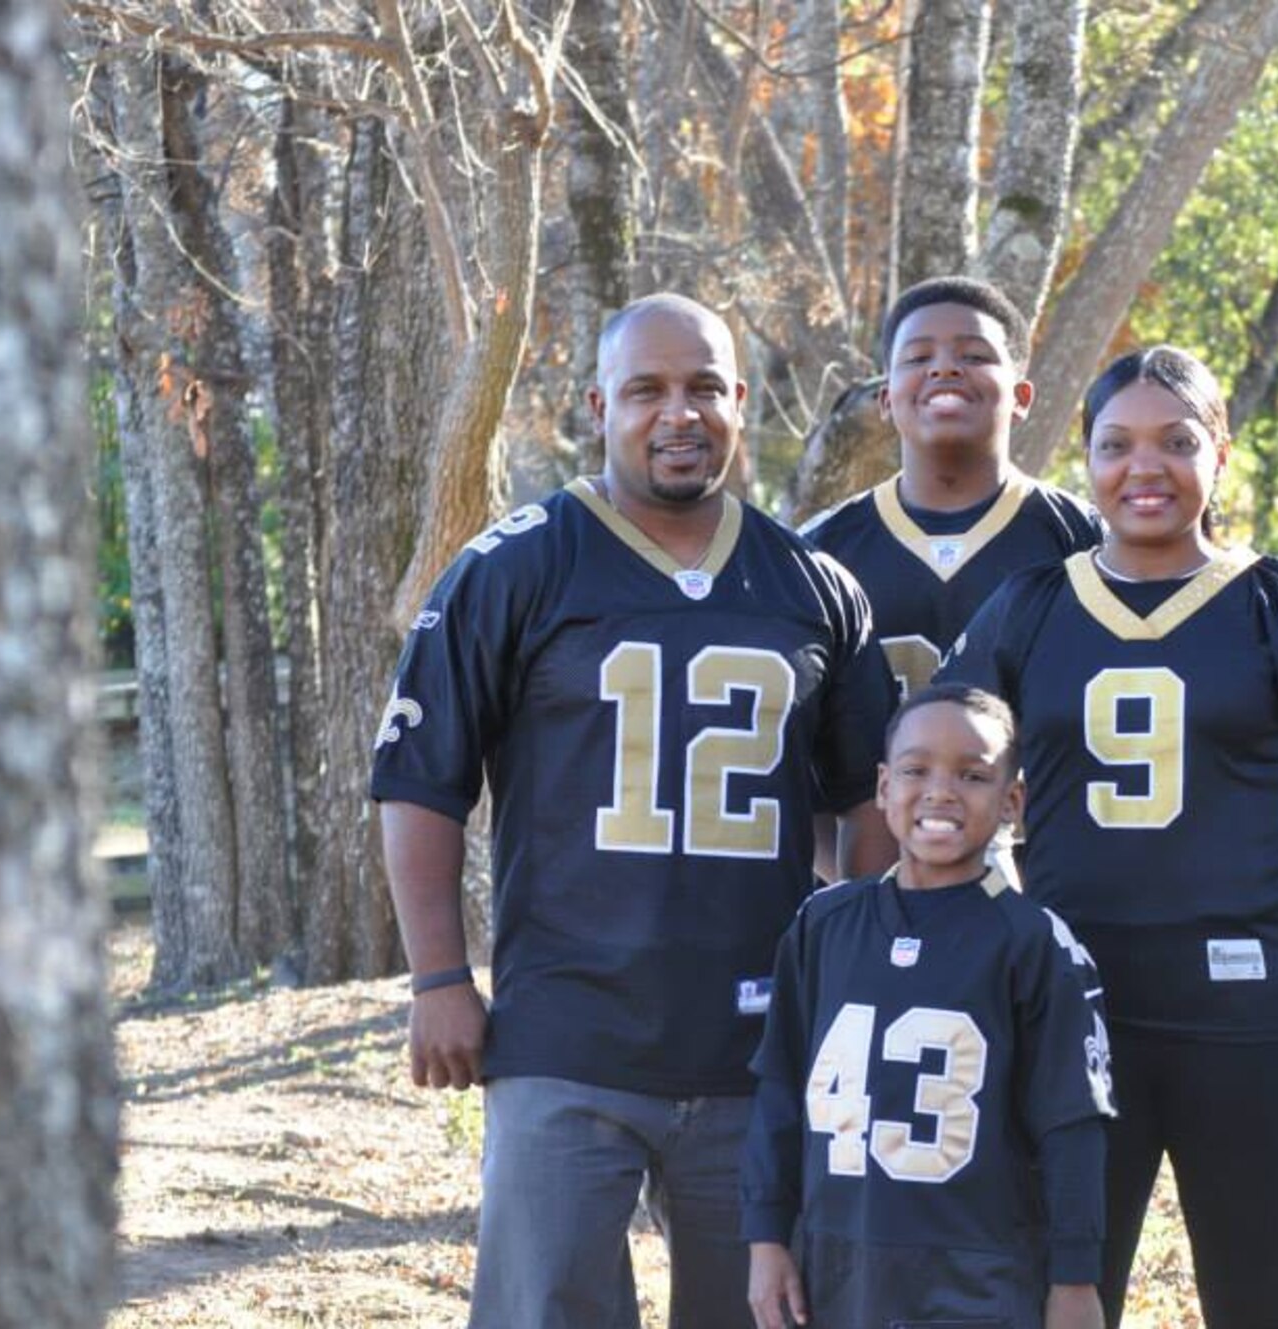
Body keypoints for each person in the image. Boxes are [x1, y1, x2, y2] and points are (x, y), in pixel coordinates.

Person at [371, 293, 900, 1328]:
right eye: (646, 389)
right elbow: (419, 779)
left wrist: (857, 973)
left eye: (704, 386)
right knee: (546, 1311)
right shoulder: (513, 565)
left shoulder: (814, 585)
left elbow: (862, 804)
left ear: (740, 402)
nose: (678, 412)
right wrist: (438, 978)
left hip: (759, 1043)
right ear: (595, 404)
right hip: (565, 1031)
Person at [938, 346, 1278, 1328]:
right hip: (1068, 1017)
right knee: (1055, 1297)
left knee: (1259, 1300)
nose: (1144, 467)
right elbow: (949, 788)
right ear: (1085, 460)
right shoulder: (1030, 604)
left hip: (1250, 1016)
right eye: (1115, 445)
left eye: (1175, 442)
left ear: (1219, 453)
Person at [742, 683, 1116, 1329]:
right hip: (840, 1261)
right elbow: (780, 1091)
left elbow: (1071, 1126)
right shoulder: (822, 926)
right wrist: (767, 1235)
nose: (941, 792)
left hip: (979, 1272)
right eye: (917, 770)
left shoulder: (1033, 942)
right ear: (884, 786)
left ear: (1012, 801)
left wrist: (1075, 1280)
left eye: (973, 775)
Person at [801, 276, 1102, 700]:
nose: (943, 368)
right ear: (886, 400)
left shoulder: (1085, 539)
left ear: (1021, 397)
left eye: (975, 355)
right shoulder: (820, 550)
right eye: (918, 356)